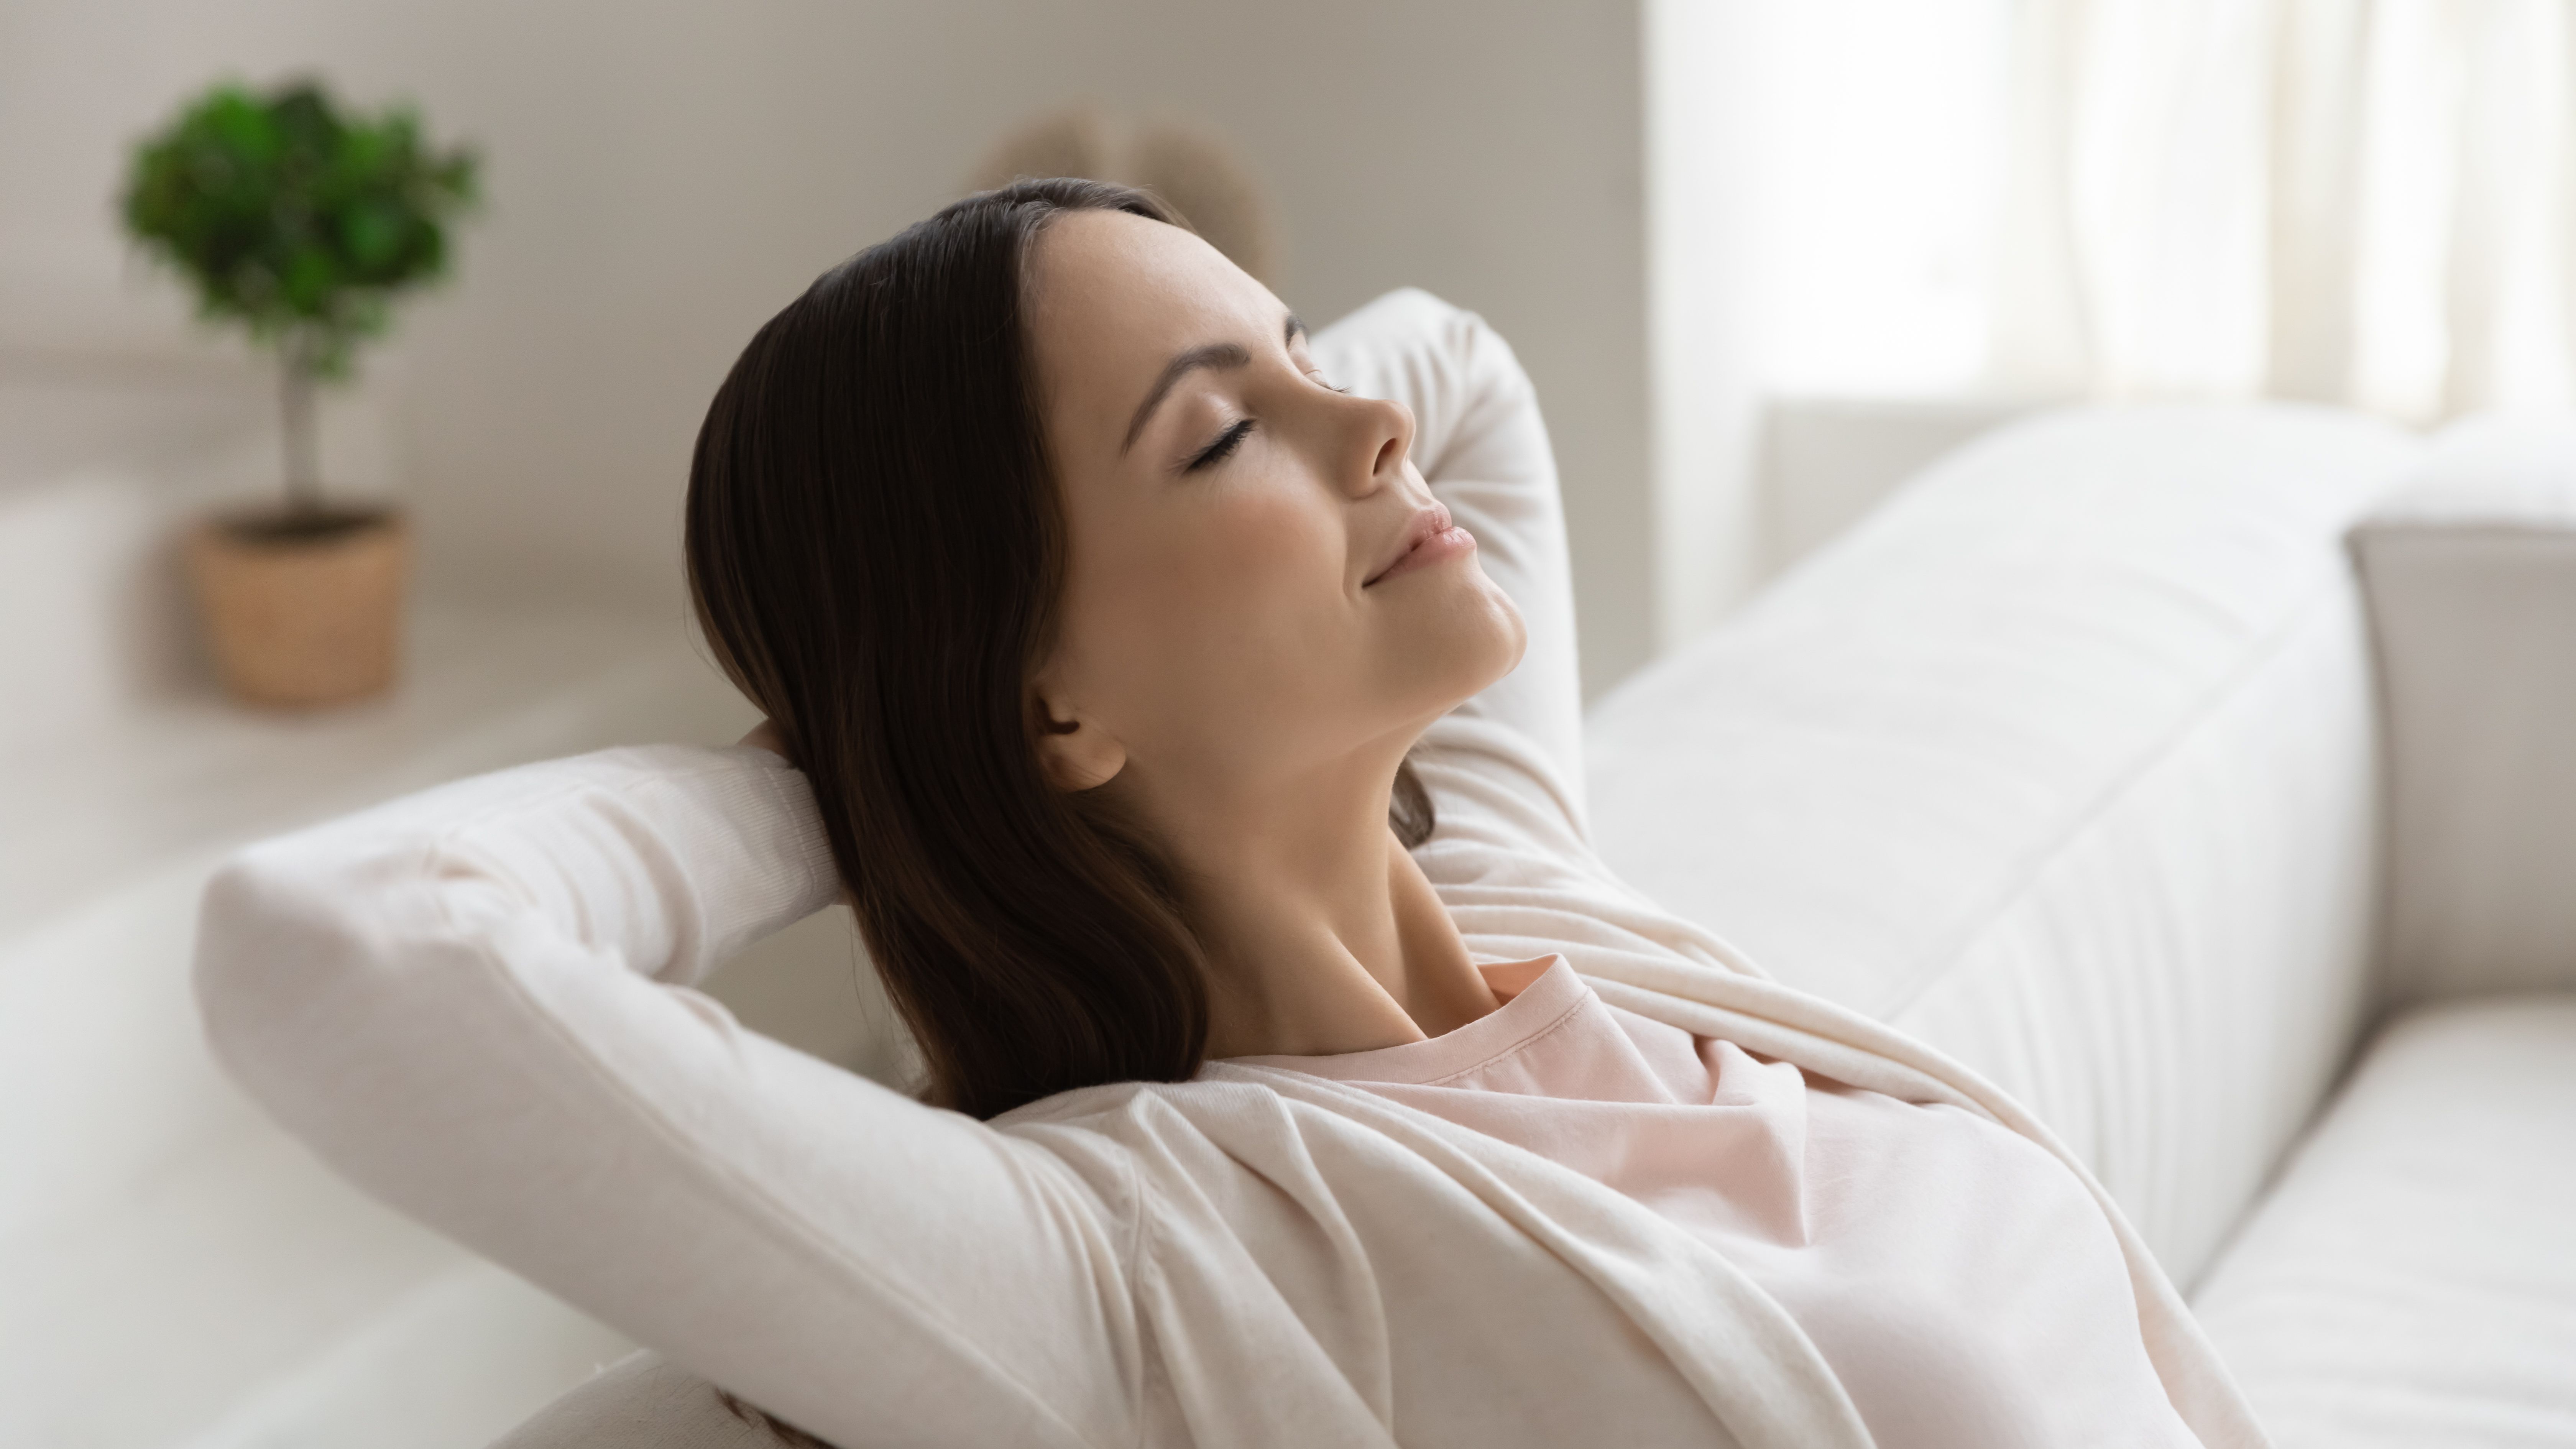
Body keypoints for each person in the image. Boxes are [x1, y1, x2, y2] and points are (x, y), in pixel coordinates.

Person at [194, 180, 2261, 1449]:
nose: (1359, 421)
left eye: (1291, 354)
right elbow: (341, 946)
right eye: (1219, 434)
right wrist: (844, 778)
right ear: (1046, 695)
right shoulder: (1142, 1271)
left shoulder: (1533, 887)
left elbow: (1455, 368)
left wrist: (1011, 669)